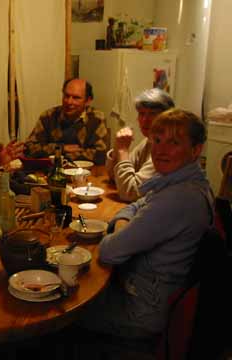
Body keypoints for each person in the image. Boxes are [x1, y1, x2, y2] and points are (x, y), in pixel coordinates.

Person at [76, 109, 213, 339]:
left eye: (174, 142)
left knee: (69, 308)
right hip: (146, 291)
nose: (160, 149)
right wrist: (125, 223)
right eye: (157, 140)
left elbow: (109, 252)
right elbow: (135, 205)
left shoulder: (178, 198)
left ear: (195, 150)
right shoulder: (184, 178)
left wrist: (121, 229)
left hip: (141, 309)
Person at [106, 88, 175, 201]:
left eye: (152, 114)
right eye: (141, 114)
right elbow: (115, 176)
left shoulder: (165, 149)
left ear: (167, 117)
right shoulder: (148, 141)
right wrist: (117, 147)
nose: (145, 120)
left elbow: (130, 192)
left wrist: (123, 151)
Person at [24, 78, 108, 165]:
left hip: (83, 174)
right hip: (52, 172)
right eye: (66, 96)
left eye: (76, 98)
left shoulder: (96, 118)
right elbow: (29, 148)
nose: (69, 102)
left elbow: (100, 155)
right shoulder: (49, 116)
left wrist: (57, 156)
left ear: (88, 101)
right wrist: (60, 148)